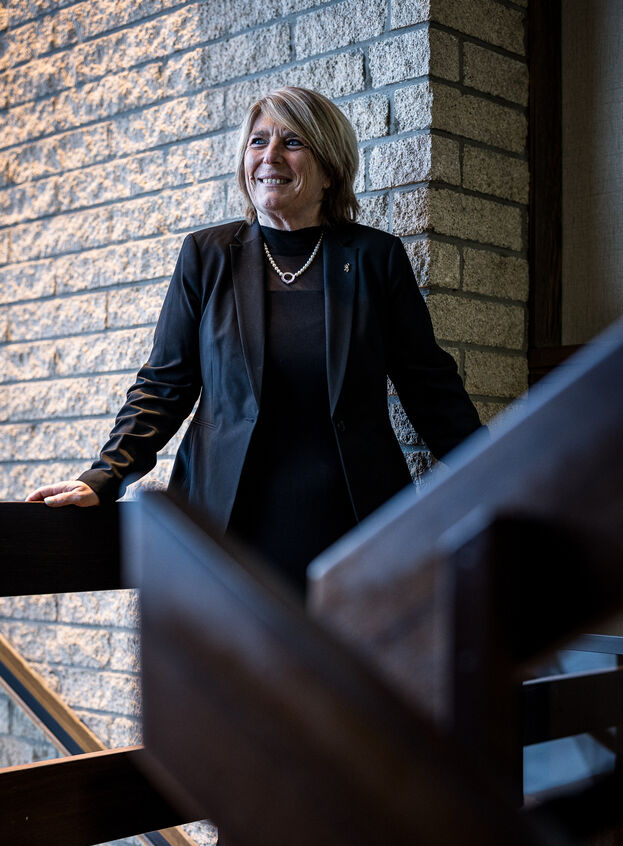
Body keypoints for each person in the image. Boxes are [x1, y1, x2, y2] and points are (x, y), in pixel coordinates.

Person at [27, 86, 482, 593]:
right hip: (227, 523)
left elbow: (429, 386)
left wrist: (497, 471)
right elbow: (164, 385)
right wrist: (104, 476)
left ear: (330, 170)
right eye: (258, 141)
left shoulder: (376, 258)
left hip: (352, 524)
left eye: (293, 142)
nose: (270, 156)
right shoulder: (207, 256)